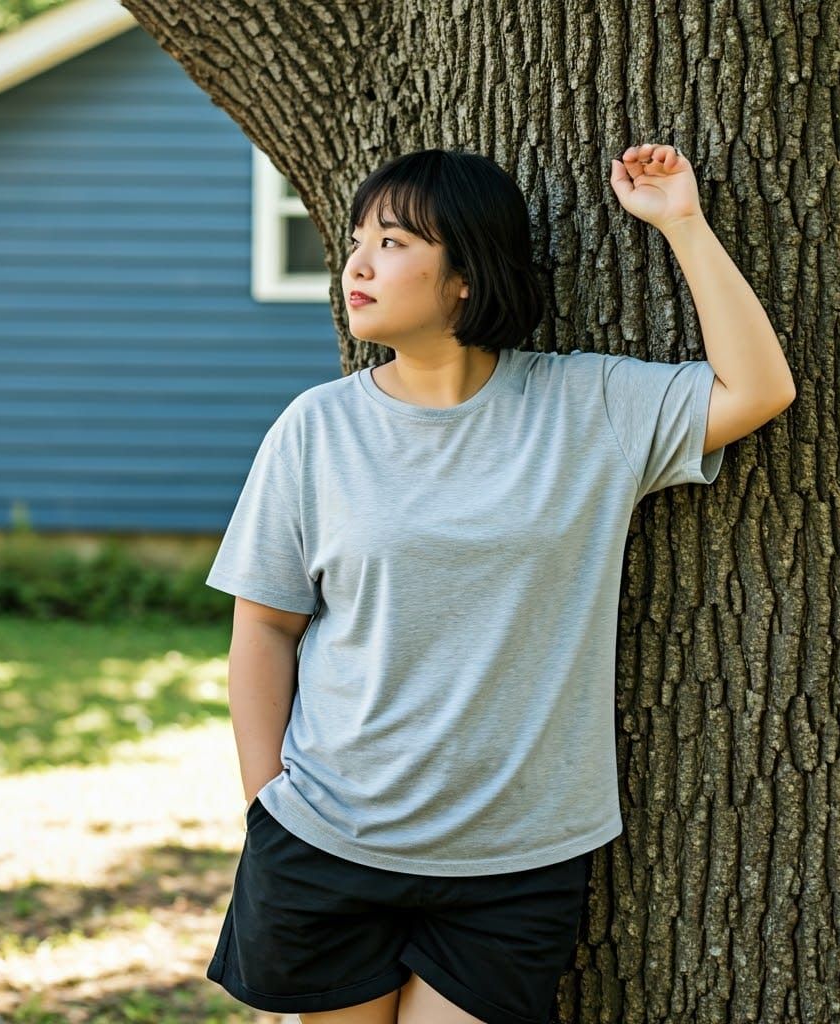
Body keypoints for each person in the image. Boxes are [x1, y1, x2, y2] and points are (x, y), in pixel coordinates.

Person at [203, 145, 795, 1024]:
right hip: (328, 836)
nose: (358, 262)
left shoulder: (585, 405)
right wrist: (266, 809)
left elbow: (758, 387)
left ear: (465, 278)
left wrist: (683, 222)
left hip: (515, 858)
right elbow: (265, 628)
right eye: (358, 238)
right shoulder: (316, 430)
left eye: (394, 242)